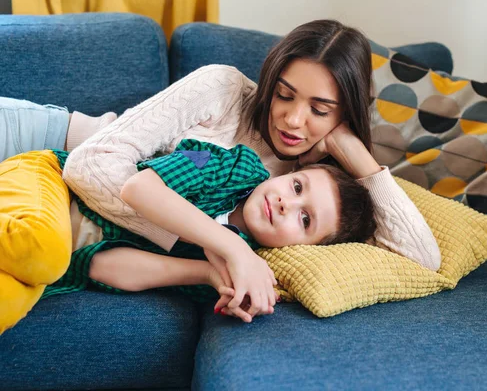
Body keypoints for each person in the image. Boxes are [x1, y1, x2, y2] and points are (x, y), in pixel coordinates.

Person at [0, 18, 441, 324]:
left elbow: (422, 259)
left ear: (343, 115)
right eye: (285, 95)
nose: (291, 120)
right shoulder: (226, 99)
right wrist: (224, 247)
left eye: (320, 109)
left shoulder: (316, 188)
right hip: (41, 139)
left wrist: (354, 151)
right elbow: (91, 167)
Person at [0, 139, 376, 331]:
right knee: (43, 249)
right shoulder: (232, 165)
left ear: (306, 250)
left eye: (305, 219)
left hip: (54, 260)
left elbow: (99, 267)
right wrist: (229, 247)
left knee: (9, 304)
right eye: (297, 187)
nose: (285, 204)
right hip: (47, 182)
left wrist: (208, 274)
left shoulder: (236, 266)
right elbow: (139, 188)